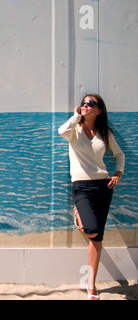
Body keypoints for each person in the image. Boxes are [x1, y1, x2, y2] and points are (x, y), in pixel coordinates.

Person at [58, 93, 125, 300]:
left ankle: (91, 284)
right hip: (81, 186)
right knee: (91, 229)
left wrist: (118, 174)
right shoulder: (74, 130)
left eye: (91, 104)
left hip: (103, 186)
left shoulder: (105, 133)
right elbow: (61, 131)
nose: (86, 105)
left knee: (97, 238)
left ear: (99, 110)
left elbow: (119, 154)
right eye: (84, 103)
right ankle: (78, 213)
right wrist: (76, 115)